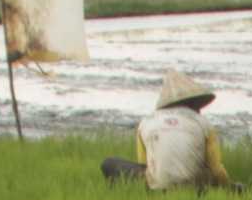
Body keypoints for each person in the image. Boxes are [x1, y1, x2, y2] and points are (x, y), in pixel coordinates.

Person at [100, 71, 234, 191]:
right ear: (195, 103)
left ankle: (129, 195)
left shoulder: (146, 122)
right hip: (195, 186)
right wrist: (229, 188)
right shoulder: (204, 124)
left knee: (109, 163)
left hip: (157, 185)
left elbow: (145, 164)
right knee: (209, 172)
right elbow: (216, 169)